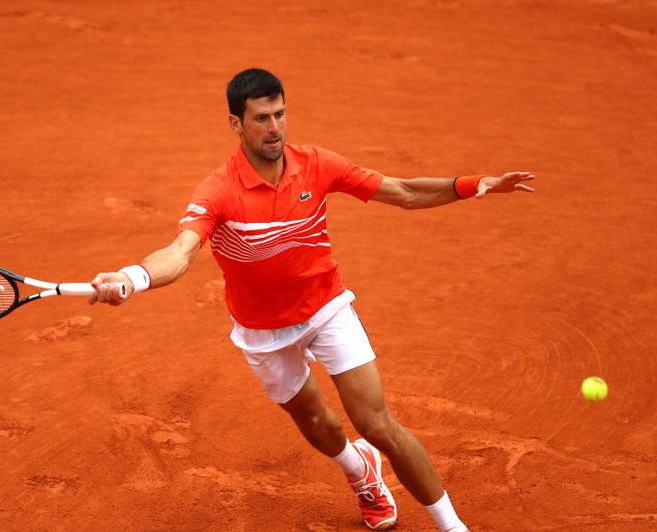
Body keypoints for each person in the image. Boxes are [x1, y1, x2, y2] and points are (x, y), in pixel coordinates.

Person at [90, 68, 535, 531]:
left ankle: (452, 526)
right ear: (236, 124)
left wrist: (470, 184)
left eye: (280, 114)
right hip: (263, 330)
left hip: (326, 309)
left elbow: (402, 191)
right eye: (261, 118)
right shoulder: (219, 191)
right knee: (319, 425)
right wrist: (133, 277)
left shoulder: (317, 164)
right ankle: (359, 471)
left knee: (378, 425)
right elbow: (180, 252)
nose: (275, 128)